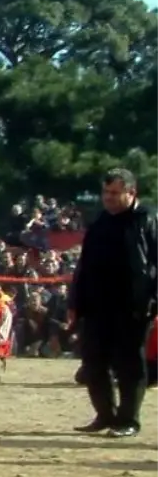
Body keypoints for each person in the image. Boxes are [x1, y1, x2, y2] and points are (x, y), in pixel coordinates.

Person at [69, 168, 158, 438]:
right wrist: (75, 302)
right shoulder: (100, 222)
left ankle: (128, 420)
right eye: (105, 192)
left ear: (131, 193)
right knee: (93, 362)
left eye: (115, 193)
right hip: (96, 306)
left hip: (133, 306)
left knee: (129, 363)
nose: (108, 198)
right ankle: (104, 414)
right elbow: (83, 266)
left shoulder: (148, 219)